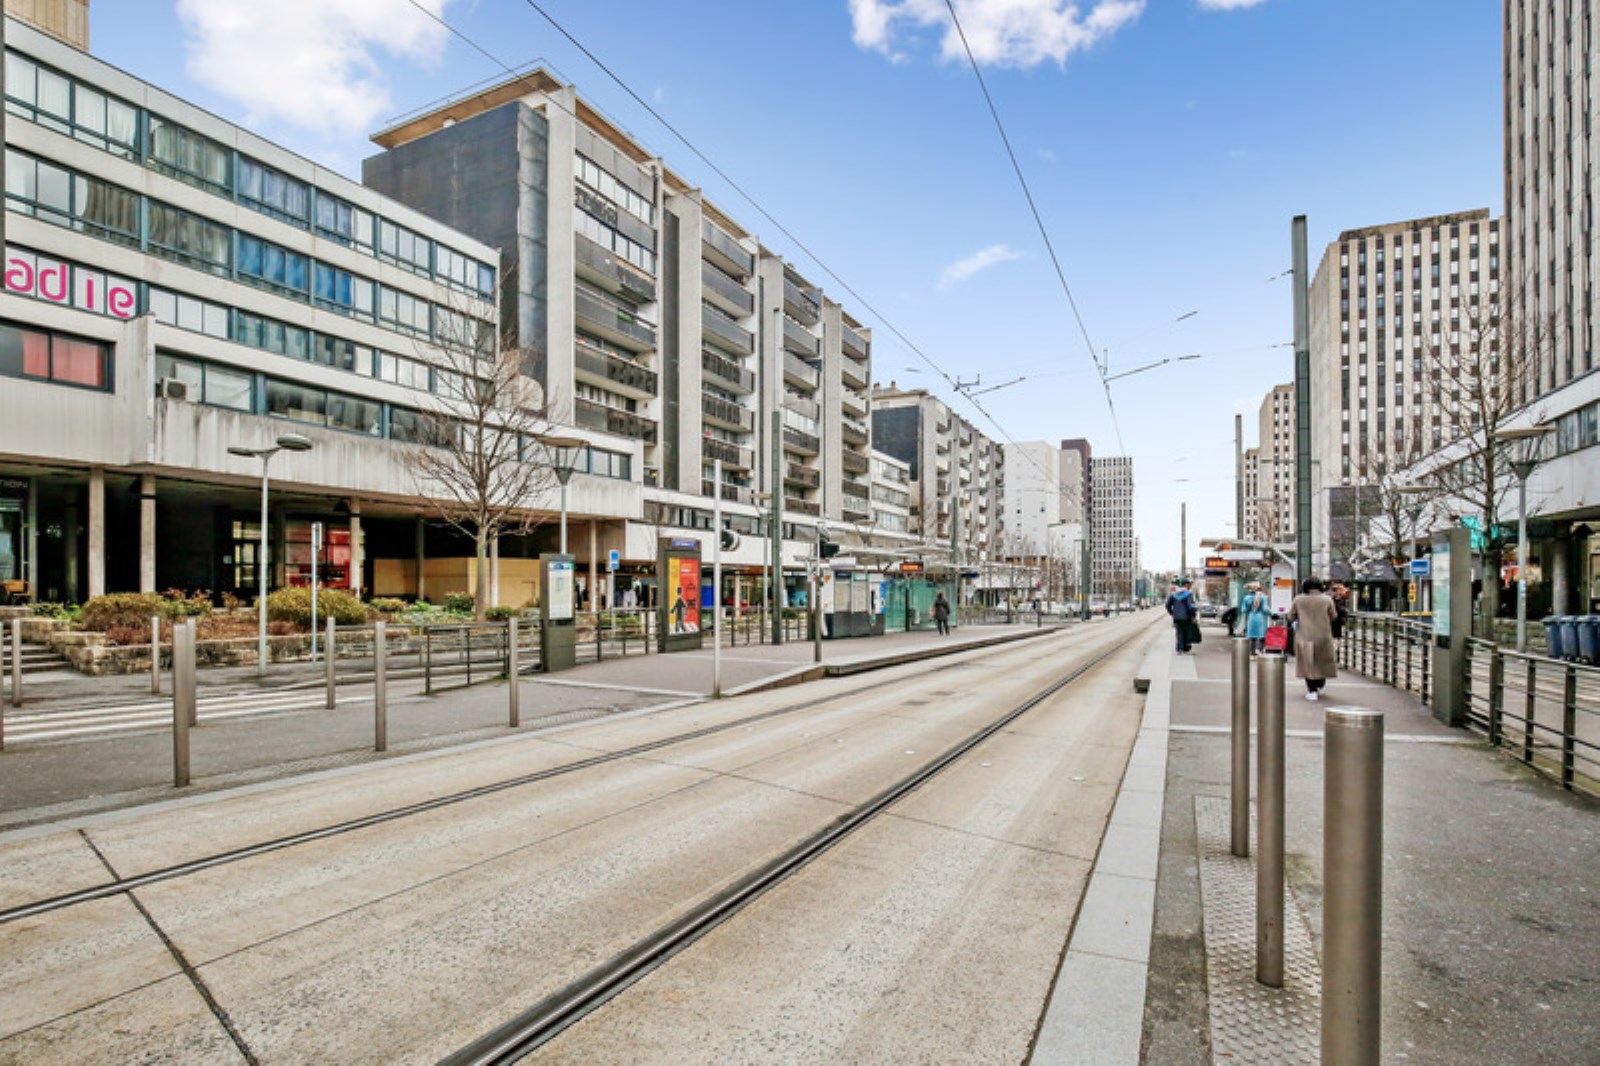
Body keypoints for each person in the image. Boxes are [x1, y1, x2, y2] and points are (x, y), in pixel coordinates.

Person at [1286, 577, 1339, 700]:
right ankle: (1320, 684)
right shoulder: (1327, 599)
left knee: (1307, 662)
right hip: (1323, 635)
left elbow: (1291, 616)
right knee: (1322, 661)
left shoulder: (1298, 599)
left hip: (1304, 635)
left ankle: (1312, 689)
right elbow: (1333, 616)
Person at [1165, 578, 1199, 653]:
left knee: (1179, 632)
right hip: (1186, 617)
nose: (1190, 586)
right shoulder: (1188, 594)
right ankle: (1185, 648)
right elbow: (1191, 606)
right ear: (1186, 585)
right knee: (1186, 632)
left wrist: (1172, 613)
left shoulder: (1174, 595)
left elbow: (1167, 605)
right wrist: (1193, 614)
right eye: (1189, 585)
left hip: (1177, 617)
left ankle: (1179, 648)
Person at [1242, 581, 1272, 655]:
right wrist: (1272, 614)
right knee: (1262, 636)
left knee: (1252, 637)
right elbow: (1265, 609)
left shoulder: (1246, 598)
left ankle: (1252, 653)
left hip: (1251, 618)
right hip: (1261, 618)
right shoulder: (1263, 597)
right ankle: (1260, 650)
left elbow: (1244, 610)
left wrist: (1250, 607)